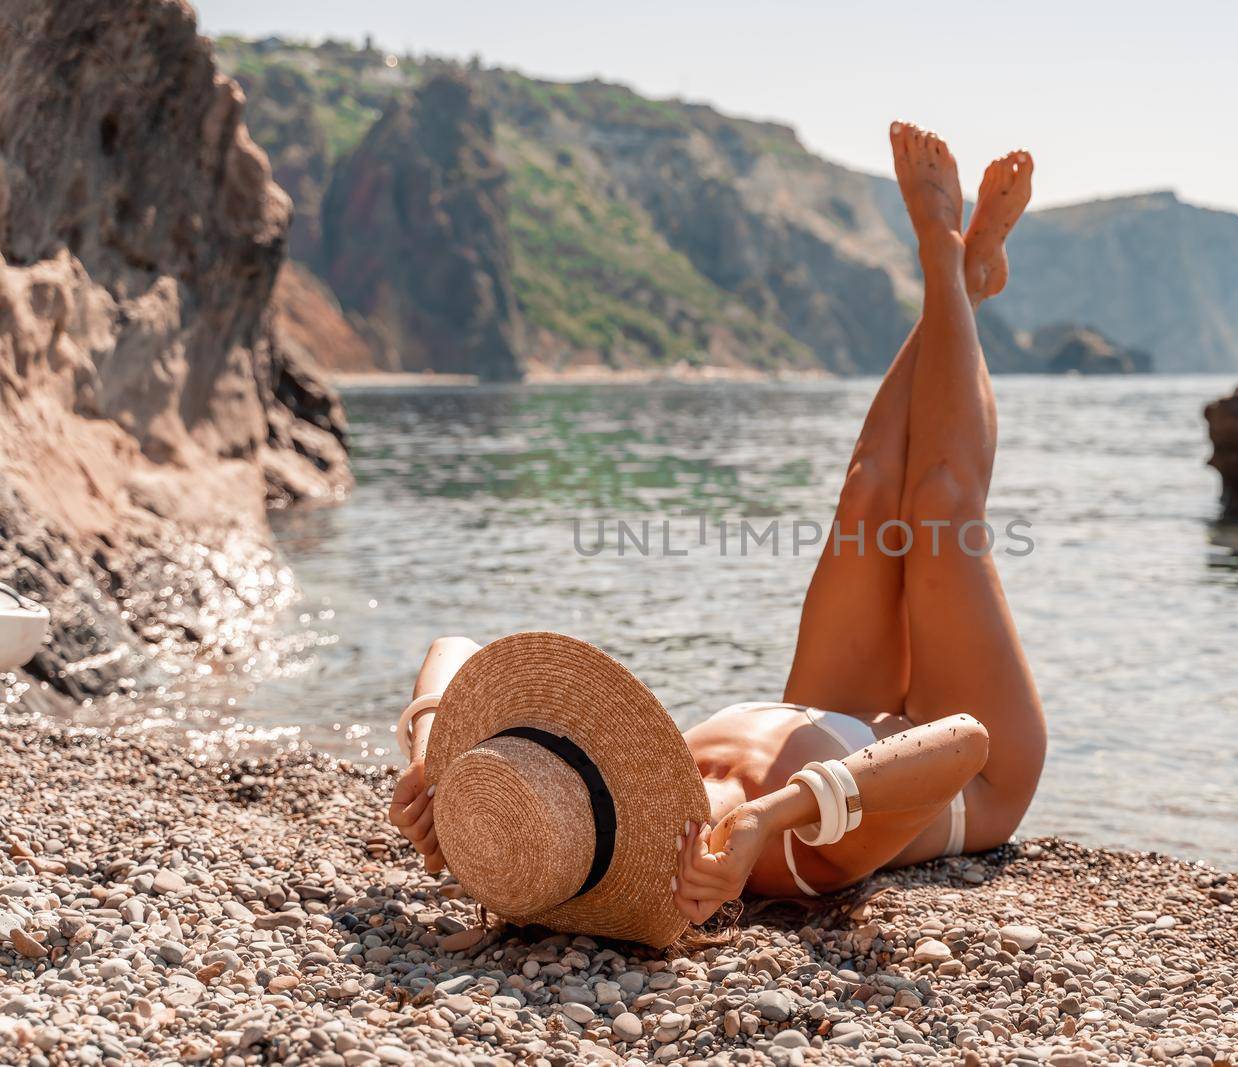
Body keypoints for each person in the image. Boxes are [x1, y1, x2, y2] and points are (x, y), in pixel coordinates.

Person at [388, 123, 1045, 928]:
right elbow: (963, 743)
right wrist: (767, 818)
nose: (602, 771)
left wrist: (427, 765)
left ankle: (963, 290)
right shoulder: (772, 855)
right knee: (939, 507)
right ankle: (947, 260)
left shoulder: (626, 776)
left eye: (582, 766)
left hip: (829, 707)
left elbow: (453, 648)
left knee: (869, 491)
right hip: (973, 781)